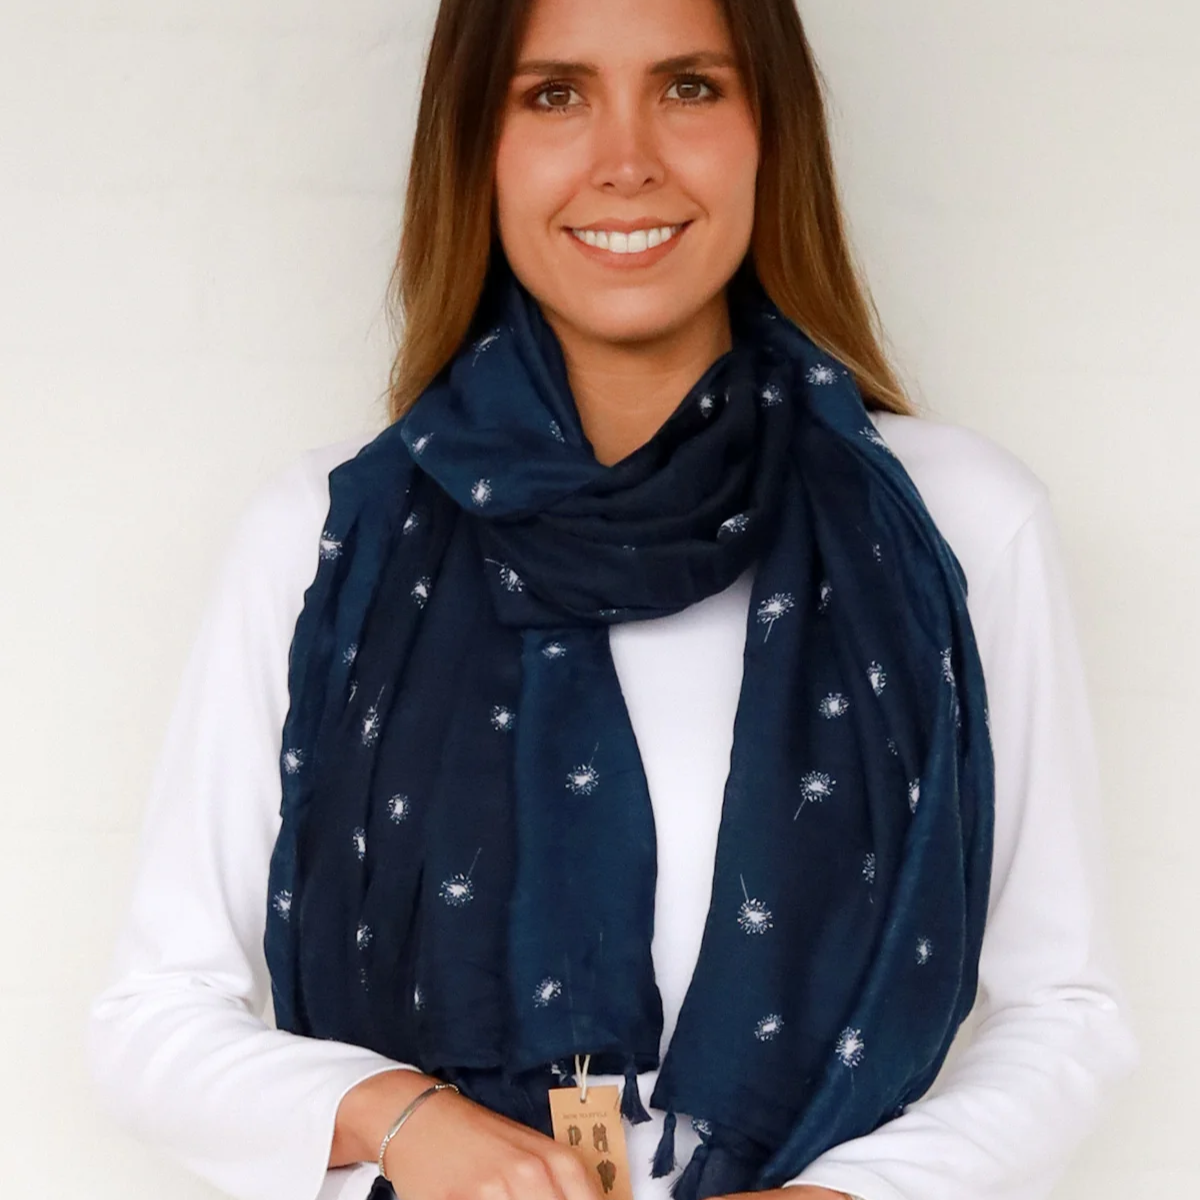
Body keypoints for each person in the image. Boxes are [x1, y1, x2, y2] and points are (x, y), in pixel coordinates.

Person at [85, 1, 1141, 1199]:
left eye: (691, 87)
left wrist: (857, 1196)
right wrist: (402, 1121)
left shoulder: (953, 521)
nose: (626, 157)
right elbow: (153, 1023)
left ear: (769, 131)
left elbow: (1067, 1012)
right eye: (554, 95)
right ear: (474, 144)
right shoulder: (328, 539)